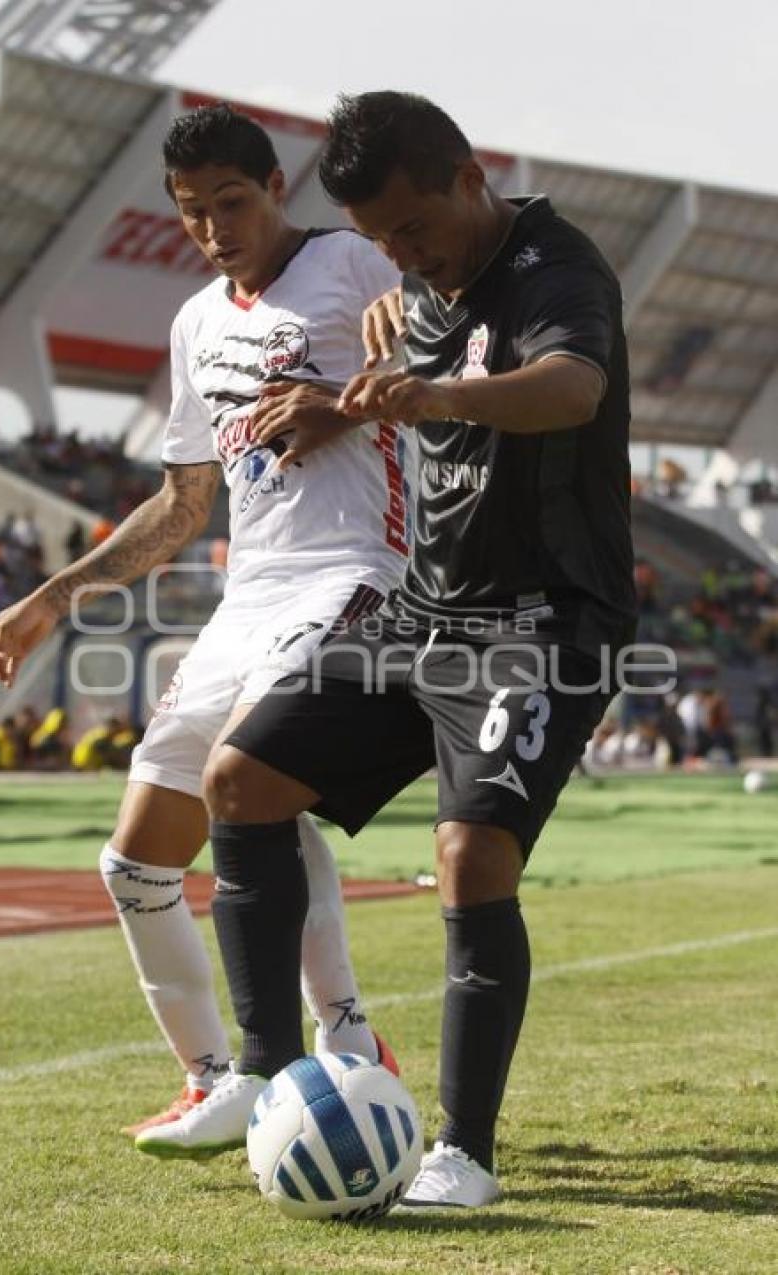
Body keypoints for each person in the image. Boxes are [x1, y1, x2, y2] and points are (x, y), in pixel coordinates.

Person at [193, 91, 636, 1208]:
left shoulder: (556, 269)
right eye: (383, 242)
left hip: (541, 620)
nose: (404, 256)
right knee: (239, 781)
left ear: (469, 178)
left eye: (413, 230)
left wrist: (434, 392)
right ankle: (266, 1077)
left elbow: (571, 389)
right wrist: (372, 365)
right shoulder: (417, 287)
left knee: (469, 855)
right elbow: (402, 358)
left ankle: (463, 1153)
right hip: (420, 615)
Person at [0, 105, 411, 1153]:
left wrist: (387, 360)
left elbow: (449, 351)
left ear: (273, 185)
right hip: (248, 591)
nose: (215, 228)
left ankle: (339, 1038)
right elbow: (182, 504)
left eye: (231, 202)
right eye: (191, 213)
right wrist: (56, 593)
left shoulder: (355, 262)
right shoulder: (193, 324)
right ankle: (211, 1078)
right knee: (134, 863)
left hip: (355, 569)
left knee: (254, 777)